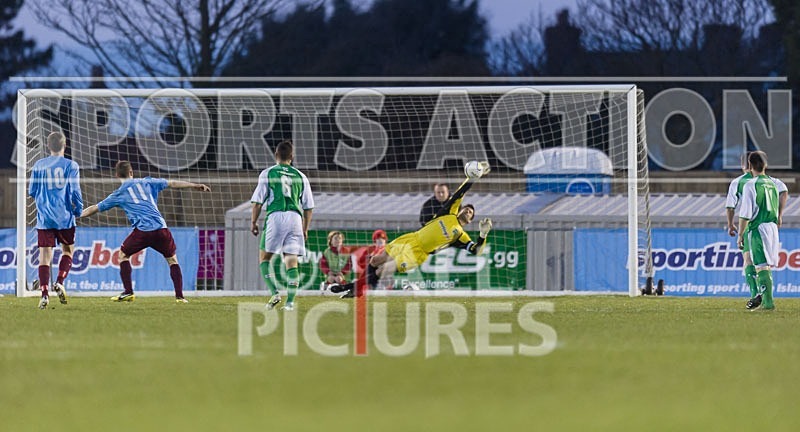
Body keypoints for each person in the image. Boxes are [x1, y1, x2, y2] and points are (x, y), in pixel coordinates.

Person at [331, 163, 492, 297]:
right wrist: (472, 178)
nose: (467, 211)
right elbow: (460, 192)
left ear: (470, 221)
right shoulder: (449, 212)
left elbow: (476, 250)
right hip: (411, 238)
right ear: (460, 210)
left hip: (418, 252)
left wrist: (482, 235)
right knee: (374, 261)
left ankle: (354, 288)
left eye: (471, 213)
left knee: (384, 270)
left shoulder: (460, 236)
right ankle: (356, 289)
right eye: (466, 209)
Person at [80, 161, 210, 303]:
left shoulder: (118, 194)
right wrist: (195, 185)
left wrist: (77, 215)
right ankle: (180, 297)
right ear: (131, 172)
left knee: (123, 255)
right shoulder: (148, 182)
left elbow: (95, 208)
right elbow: (172, 183)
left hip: (142, 232)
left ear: (117, 175)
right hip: (161, 229)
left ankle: (128, 292)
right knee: (172, 260)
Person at [250, 140, 314, 311]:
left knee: (264, 259)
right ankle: (290, 303)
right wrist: (305, 228)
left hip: (275, 216)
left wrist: (253, 223)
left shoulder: (268, 173)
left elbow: (257, 203)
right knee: (292, 262)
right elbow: (308, 207)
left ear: (276, 155)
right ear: (292, 157)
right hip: (295, 218)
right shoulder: (301, 176)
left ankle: (274, 292)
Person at [28, 131, 83, 309]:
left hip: (45, 218)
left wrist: (44, 200)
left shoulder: (38, 165)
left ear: (48, 146)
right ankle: (59, 281)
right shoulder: (71, 165)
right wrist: (79, 209)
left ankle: (44, 294)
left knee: (44, 257)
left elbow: (32, 191)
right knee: (68, 250)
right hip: (65, 217)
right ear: (65, 146)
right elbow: (75, 191)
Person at [737, 151, 787, 310]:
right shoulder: (772, 183)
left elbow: (745, 214)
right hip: (771, 227)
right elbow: (783, 193)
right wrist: (779, 215)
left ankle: (768, 303)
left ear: (750, 165)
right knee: (764, 264)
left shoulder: (750, 185)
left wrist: (740, 235)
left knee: (760, 265)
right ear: (765, 165)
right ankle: (765, 299)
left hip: (757, 227)